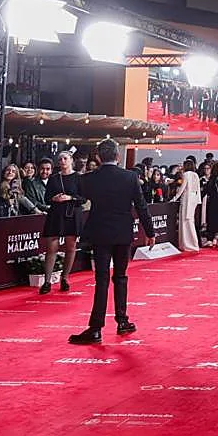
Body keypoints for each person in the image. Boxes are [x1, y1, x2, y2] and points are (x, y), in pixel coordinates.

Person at [68, 139, 155, 344]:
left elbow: (77, 196)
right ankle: (122, 320)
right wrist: (150, 232)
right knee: (121, 276)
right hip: (123, 232)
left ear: (98, 157)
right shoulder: (130, 177)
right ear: (118, 156)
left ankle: (96, 328)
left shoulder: (89, 179)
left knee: (102, 280)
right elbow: (141, 206)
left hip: (100, 233)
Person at [41, 151, 85, 294]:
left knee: (71, 247)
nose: (62, 161)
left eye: (65, 158)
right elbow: (46, 198)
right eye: (60, 159)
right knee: (51, 247)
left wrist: (70, 198)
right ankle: (47, 281)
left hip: (72, 214)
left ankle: (65, 278)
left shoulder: (79, 178)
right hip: (56, 214)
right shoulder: (54, 178)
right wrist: (55, 198)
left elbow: (83, 198)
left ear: (71, 160)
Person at [169, 156, 201, 252]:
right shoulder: (196, 175)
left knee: (185, 222)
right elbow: (198, 190)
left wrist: (174, 198)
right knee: (190, 222)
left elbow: (182, 188)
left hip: (186, 200)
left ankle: (186, 244)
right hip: (193, 200)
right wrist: (198, 201)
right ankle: (193, 244)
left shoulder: (186, 175)